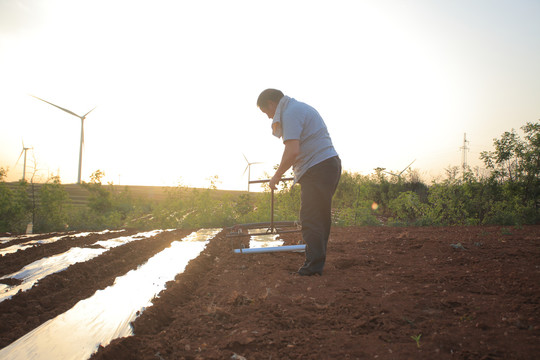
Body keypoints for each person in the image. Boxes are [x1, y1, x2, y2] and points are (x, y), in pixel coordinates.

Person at [257, 89, 341, 276]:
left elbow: (292, 150)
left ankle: (312, 266)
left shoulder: (290, 112)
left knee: (311, 218)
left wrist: (277, 175)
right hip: (327, 165)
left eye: (266, 112)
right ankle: (316, 262)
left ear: (271, 103)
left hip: (318, 168)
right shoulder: (298, 107)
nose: (269, 117)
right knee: (319, 217)